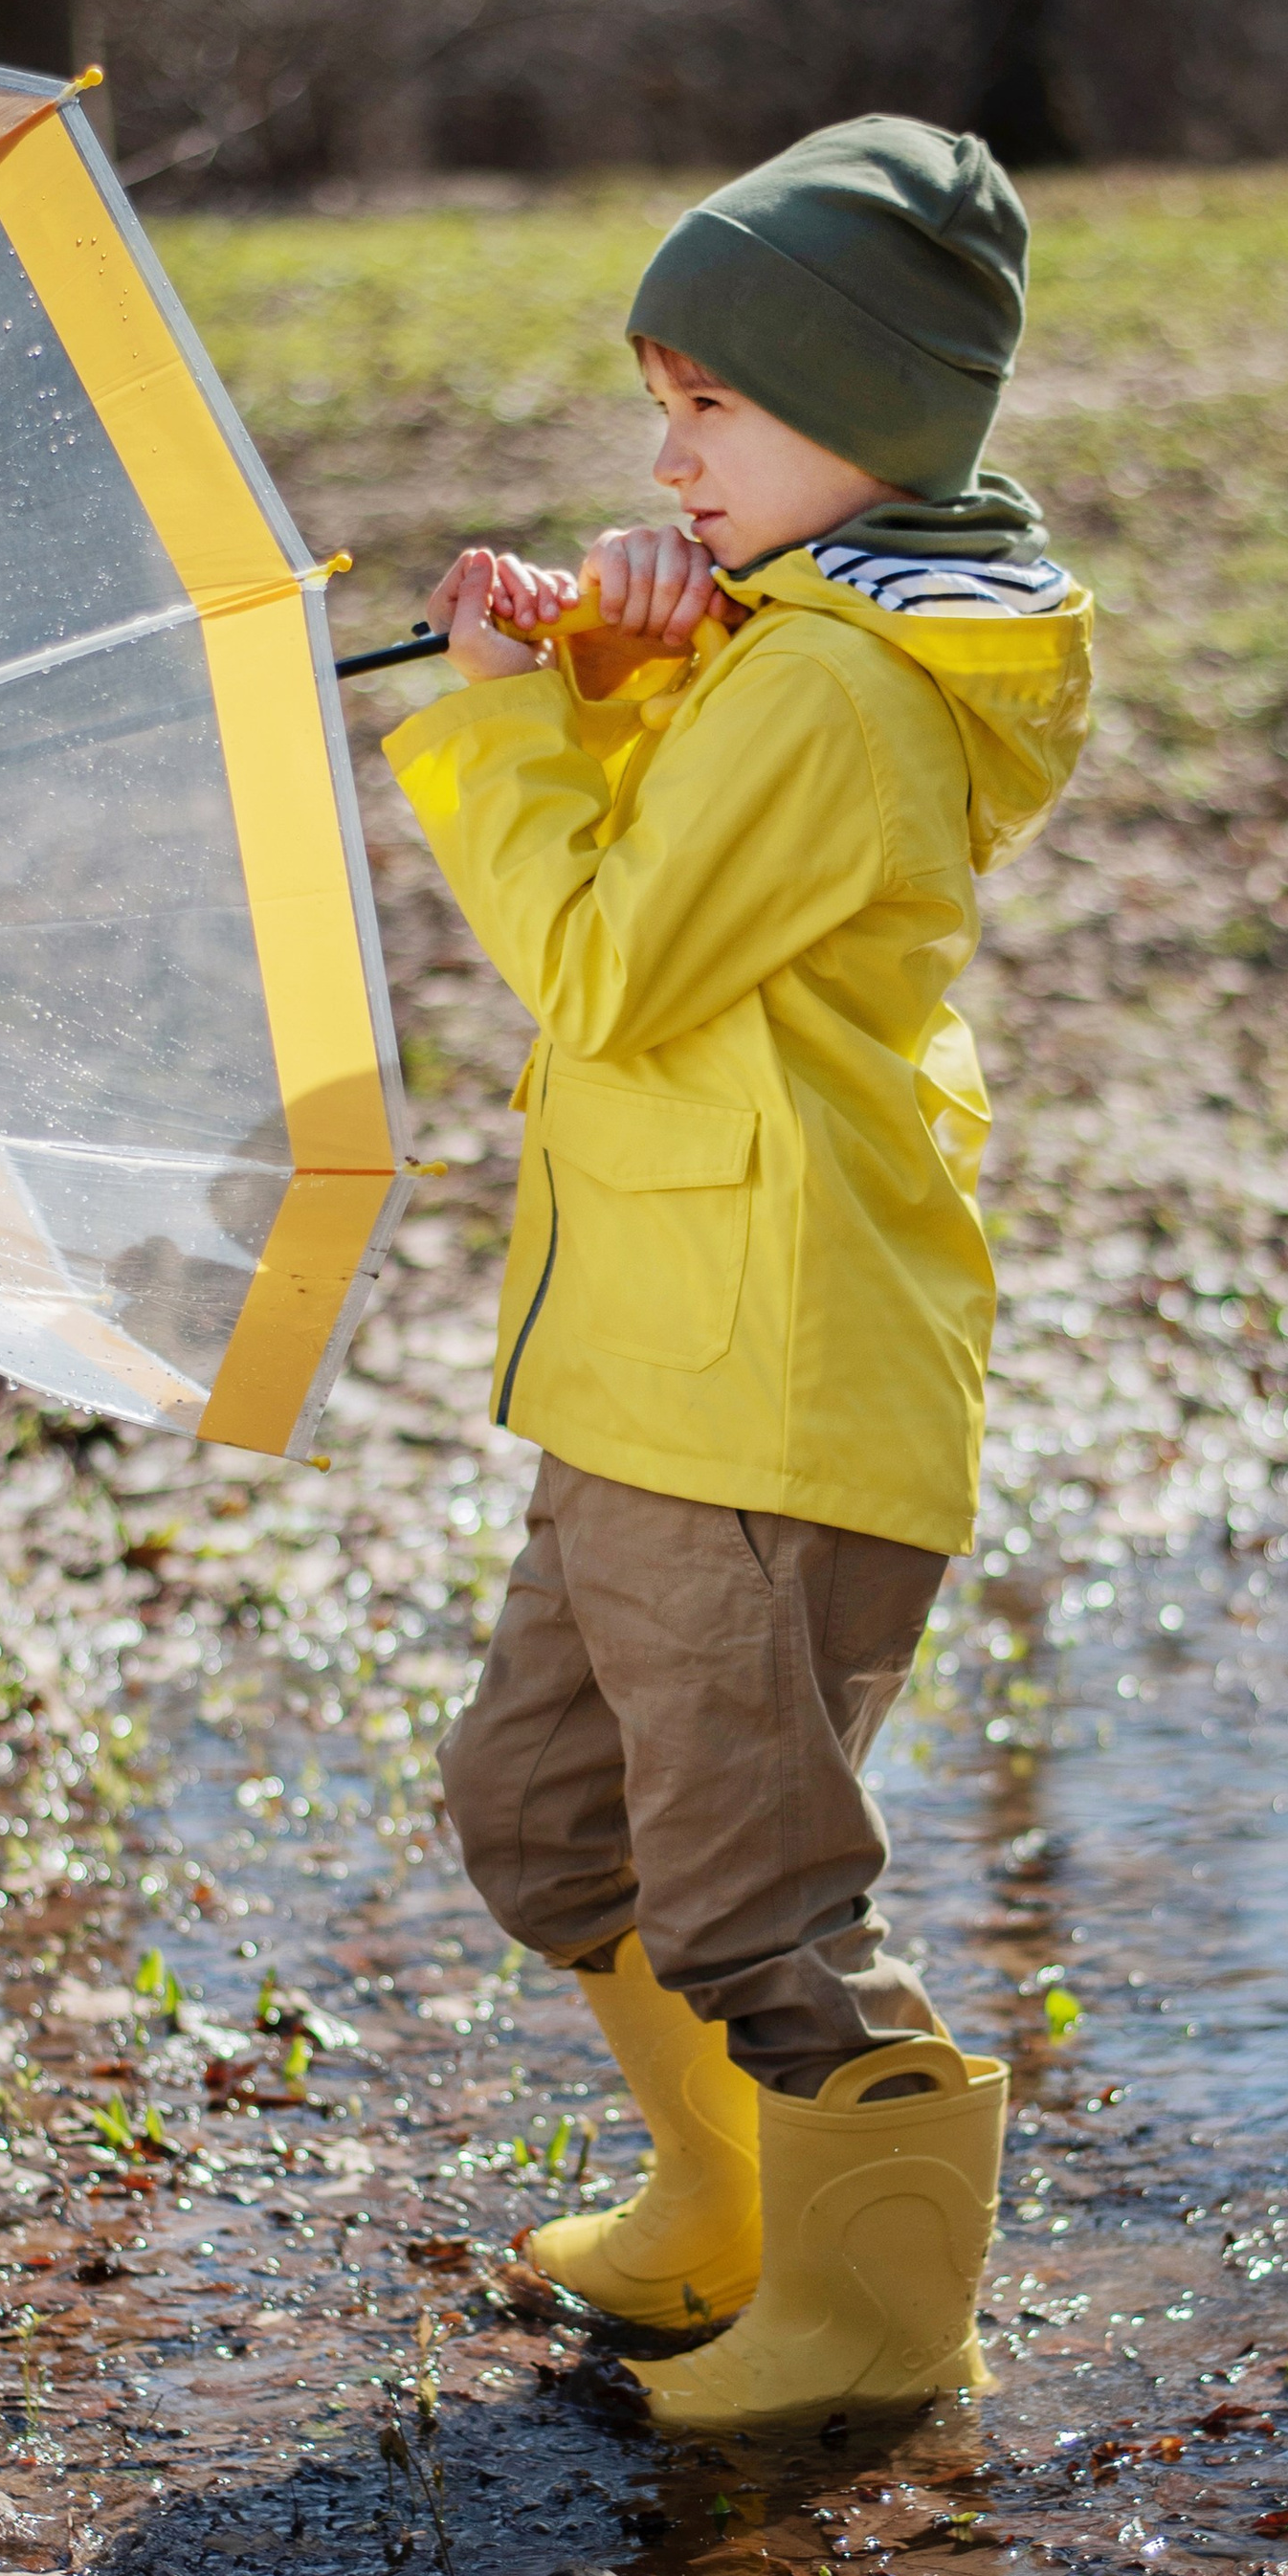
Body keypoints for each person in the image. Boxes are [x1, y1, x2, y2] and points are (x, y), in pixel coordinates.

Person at [381, 118, 1093, 2429]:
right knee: (541, 1820)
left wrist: (489, 729)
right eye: (660, 398)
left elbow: (605, 963)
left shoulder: (833, 690)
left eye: (711, 405)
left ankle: (873, 2326)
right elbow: (674, 905)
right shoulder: (771, 647)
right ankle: (732, 2212)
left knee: (754, 1903)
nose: (662, 451)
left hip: (772, 1392)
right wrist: (598, 689)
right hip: (642, 1370)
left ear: (864, 427)